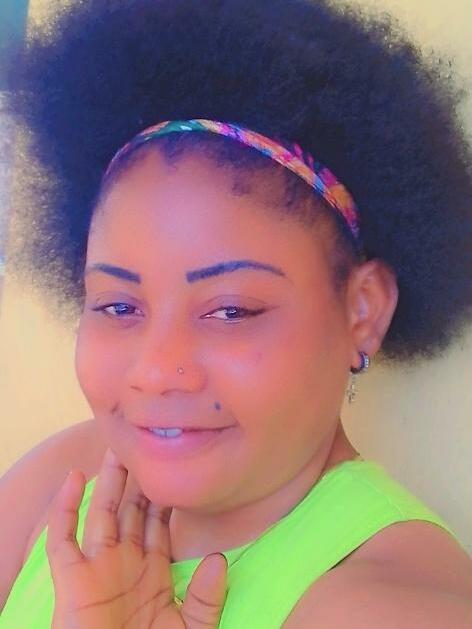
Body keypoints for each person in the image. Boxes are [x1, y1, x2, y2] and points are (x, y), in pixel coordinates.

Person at [1, 0, 471, 626]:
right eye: (118, 305)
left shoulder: (387, 607)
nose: (155, 372)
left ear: (363, 311)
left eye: (230, 310)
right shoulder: (69, 483)